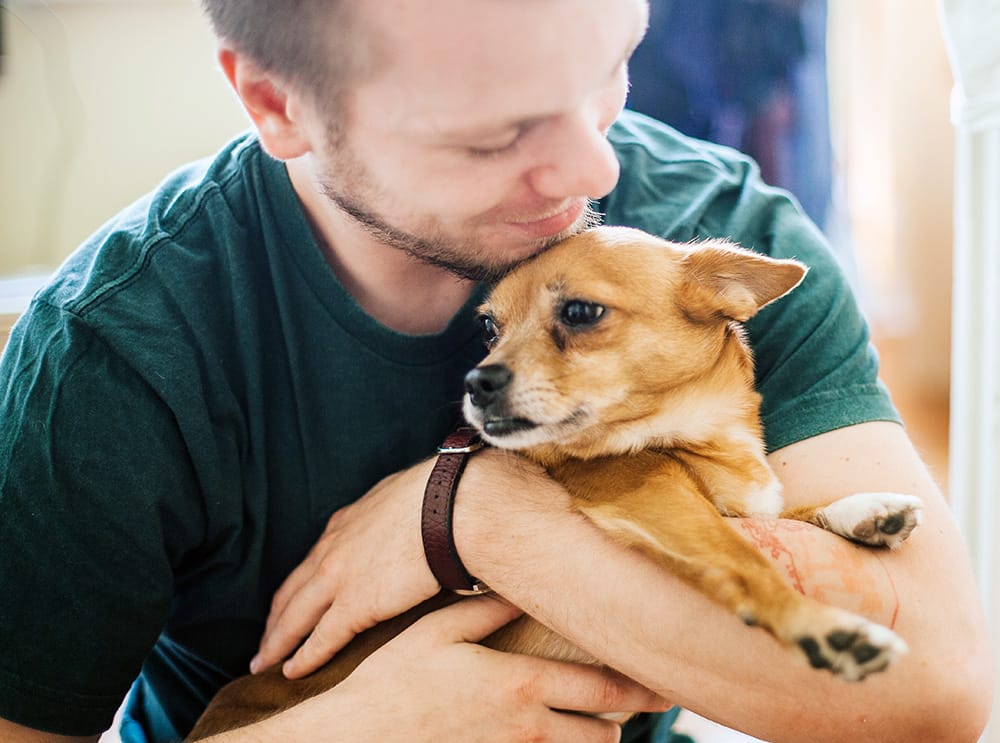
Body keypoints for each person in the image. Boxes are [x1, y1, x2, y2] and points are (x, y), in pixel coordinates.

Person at [0, 1, 990, 741]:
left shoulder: (714, 241)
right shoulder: (115, 350)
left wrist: (478, 513)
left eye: (613, 69)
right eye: (495, 134)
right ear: (276, 102)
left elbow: (936, 693)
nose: (596, 171)